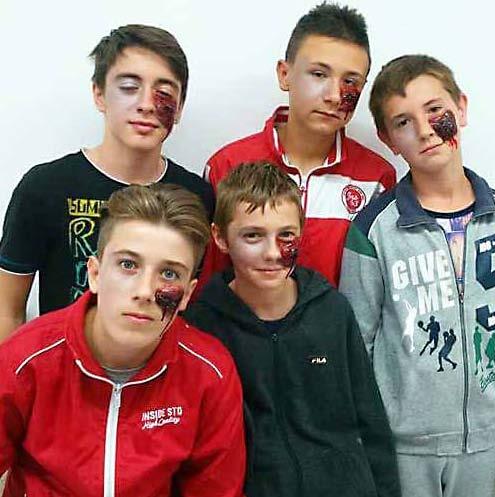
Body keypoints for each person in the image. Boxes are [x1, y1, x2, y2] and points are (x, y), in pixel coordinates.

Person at [339, 54, 495, 496]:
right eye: (403, 122)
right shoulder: (373, 231)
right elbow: (356, 348)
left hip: (488, 444)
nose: (424, 130)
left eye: (435, 111)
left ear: (461, 108)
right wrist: (366, 445)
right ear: (388, 139)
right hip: (401, 449)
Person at [0, 184, 245, 497]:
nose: (144, 291)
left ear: (187, 294)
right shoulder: (24, 359)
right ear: (95, 274)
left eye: (169, 274)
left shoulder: (210, 373)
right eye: (128, 265)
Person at [185, 162, 400, 497]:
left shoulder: (332, 310)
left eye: (286, 235)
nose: (272, 253)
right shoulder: (201, 328)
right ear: (220, 237)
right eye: (252, 236)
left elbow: (371, 422)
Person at [0, 24, 214, 341]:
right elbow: (7, 309)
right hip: (64, 363)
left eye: (164, 93)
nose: (147, 104)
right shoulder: (45, 187)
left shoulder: (197, 196)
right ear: (99, 94)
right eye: (129, 87)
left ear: (179, 107)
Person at [199, 2, 395, 290]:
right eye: (318, 74)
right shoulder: (227, 165)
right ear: (285, 74)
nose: (334, 95)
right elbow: (210, 284)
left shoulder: (376, 178)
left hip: (337, 320)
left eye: (350, 81)